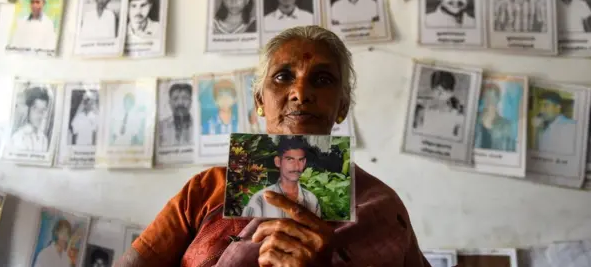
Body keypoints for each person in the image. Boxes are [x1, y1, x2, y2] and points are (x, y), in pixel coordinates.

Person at [115, 26, 430, 267]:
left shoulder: (379, 208)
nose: (300, 92)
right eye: (283, 77)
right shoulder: (208, 190)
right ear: (259, 102)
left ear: (342, 105)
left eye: (321, 80)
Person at [243, 136, 321, 218]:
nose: (296, 166)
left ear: (304, 162)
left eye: (300, 160)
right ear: (277, 162)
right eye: (290, 159)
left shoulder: (312, 199)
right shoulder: (259, 200)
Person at [420, 70, 464, 140]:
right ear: (432, 90)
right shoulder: (424, 111)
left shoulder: (458, 115)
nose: (440, 93)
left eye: (444, 90)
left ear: (451, 92)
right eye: (436, 90)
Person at [531, 91, 576, 155]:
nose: (541, 110)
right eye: (540, 105)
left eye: (545, 105)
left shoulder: (570, 126)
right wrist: (537, 130)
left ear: (558, 107)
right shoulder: (545, 129)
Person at [475, 83, 515, 152]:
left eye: (492, 98)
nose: (489, 102)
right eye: (486, 97)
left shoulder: (506, 125)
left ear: (498, 99)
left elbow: (510, 150)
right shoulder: (475, 120)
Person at [11, 87, 51, 152]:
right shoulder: (19, 137)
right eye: (35, 109)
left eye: (43, 110)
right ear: (28, 109)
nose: (39, 115)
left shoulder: (44, 139)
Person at [159, 83, 193, 147]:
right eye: (175, 98)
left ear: (191, 101)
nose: (180, 103)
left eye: (185, 98)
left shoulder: (199, 126)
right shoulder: (160, 127)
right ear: (169, 102)